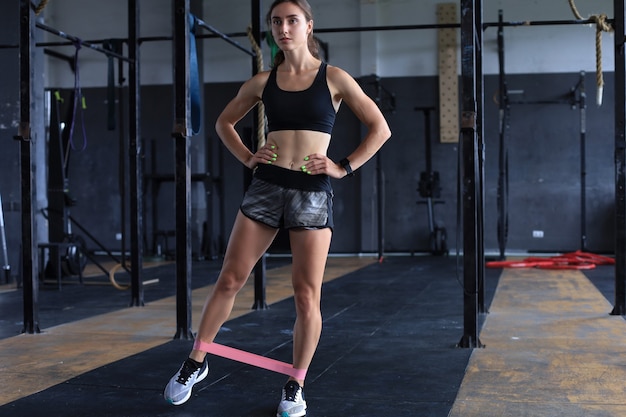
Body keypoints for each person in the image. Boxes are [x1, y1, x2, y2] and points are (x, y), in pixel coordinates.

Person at [164, 1, 391, 416]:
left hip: (312, 191)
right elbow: (222, 124)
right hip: (267, 186)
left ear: (308, 26)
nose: (283, 28)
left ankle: (295, 384)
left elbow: (381, 128)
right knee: (230, 279)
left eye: (291, 21)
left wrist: (343, 167)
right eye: (276, 22)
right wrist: (249, 157)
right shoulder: (263, 81)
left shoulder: (334, 78)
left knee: (307, 295)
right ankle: (195, 363)